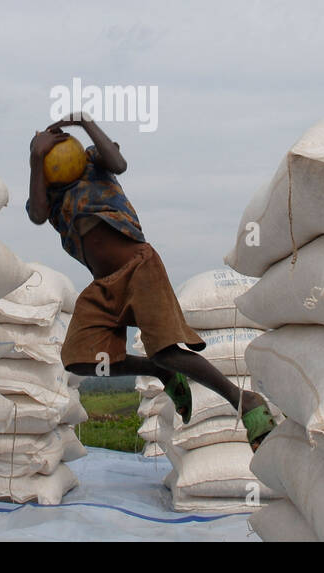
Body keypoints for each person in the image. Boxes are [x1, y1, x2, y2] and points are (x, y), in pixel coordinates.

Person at [25, 112, 275, 450]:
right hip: (104, 285)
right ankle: (162, 372)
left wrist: (85, 124)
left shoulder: (93, 163)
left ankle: (244, 401)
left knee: (167, 350)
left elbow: (119, 162)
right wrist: (36, 157)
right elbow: (36, 213)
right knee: (80, 359)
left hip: (139, 267)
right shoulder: (53, 200)